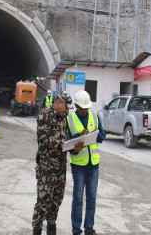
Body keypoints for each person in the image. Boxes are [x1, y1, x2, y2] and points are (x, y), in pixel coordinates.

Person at [32, 92, 73, 235]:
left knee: (56, 202)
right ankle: (37, 229)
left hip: (61, 167)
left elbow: (68, 139)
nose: (68, 111)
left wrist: (75, 144)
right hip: (46, 167)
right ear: (60, 103)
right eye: (67, 107)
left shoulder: (64, 119)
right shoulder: (45, 115)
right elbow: (46, 140)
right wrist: (66, 144)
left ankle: (51, 229)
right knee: (43, 202)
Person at [68, 90, 106, 235]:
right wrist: (79, 136)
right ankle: (76, 230)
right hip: (78, 165)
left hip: (93, 164)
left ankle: (89, 228)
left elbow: (102, 136)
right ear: (76, 106)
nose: (85, 110)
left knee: (92, 198)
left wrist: (96, 134)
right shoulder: (70, 120)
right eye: (82, 108)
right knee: (77, 199)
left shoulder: (95, 117)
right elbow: (68, 142)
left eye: (87, 108)